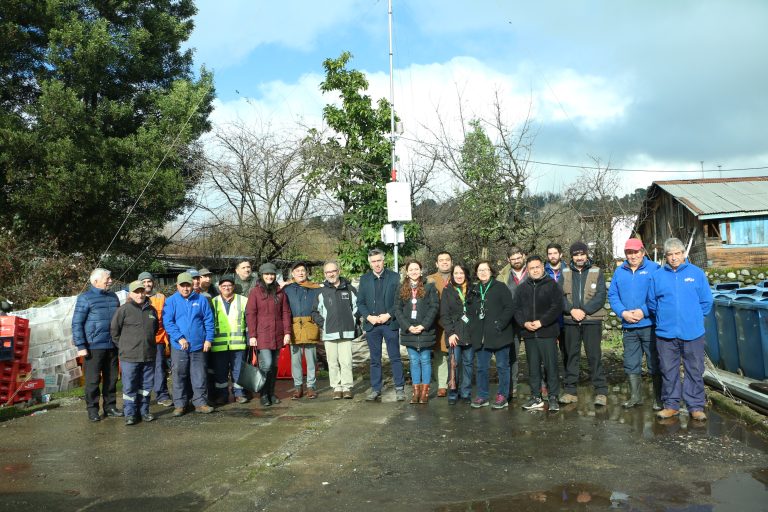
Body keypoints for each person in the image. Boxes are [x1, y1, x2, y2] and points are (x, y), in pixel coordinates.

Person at [648, 238, 713, 421]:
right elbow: (652, 303)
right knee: (668, 370)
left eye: (677, 253)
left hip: (693, 333)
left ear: (684, 254)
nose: (674, 258)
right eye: (670, 254)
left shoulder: (697, 274)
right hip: (666, 333)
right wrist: (664, 318)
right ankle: (671, 405)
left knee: (695, 369)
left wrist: (693, 318)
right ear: (665, 256)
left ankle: (695, 406)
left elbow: (706, 301)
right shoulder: (657, 276)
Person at [608, 238, 662, 409]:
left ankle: (659, 398)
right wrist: (623, 312)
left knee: (654, 362)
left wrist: (643, 311)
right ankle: (635, 397)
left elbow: (659, 294)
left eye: (636, 252)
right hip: (629, 326)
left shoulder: (654, 269)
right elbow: (613, 295)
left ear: (643, 252)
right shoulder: (619, 271)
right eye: (629, 252)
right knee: (631, 363)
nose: (633, 256)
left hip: (649, 325)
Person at [560, 242, 609, 406]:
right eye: (576, 255)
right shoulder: (565, 272)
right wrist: (571, 310)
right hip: (571, 321)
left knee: (594, 356)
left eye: (582, 254)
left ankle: (601, 392)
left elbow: (600, 296)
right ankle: (570, 391)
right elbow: (559, 296)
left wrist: (584, 311)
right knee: (571, 356)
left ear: (587, 254)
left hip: (591, 321)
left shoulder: (597, 271)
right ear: (571, 256)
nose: (579, 257)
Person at [512, 256, 564, 412]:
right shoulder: (521, 288)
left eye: (537, 267)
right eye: (531, 268)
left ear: (542, 267)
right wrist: (524, 323)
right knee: (533, 367)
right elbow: (516, 309)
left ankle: (553, 396)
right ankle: (536, 397)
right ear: (527, 270)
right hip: (529, 334)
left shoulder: (552, 285)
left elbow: (557, 307)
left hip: (547, 332)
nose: (535, 270)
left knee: (551, 366)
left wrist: (542, 322)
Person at [72, 268, 122, 422]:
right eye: (107, 279)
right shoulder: (85, 298)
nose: (111, 281)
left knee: (111, 379)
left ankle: (110, 407)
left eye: (110, 278)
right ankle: (93, 410)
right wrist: (81, 345)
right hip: (93, 346)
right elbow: (77, 323)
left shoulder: (113, 297)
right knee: (93, 381)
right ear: (95, 281)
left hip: (112, 345)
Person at [163, 272, 215, 416]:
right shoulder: (171, 301)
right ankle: (180, 404)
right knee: (179, 375)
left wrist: (208, 339)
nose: (185, 288)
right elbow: (168, 322)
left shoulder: (201, 299)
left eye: (188, 285)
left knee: (200, 375)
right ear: (177, 286)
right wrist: (179, 338)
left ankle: (200, 403)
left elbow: (209, 321)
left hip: (199, 345)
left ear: (192, 286)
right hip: (179, 346)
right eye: (182, 286)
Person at [357, 248, 406, 402]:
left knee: (395, 357)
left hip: (389, 323)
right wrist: (368, 317)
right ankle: (376, 389)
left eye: (379, 260)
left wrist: (389, 315)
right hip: (372, 325)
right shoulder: (364, 279)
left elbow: (399, 300)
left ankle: (399, 388)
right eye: (373, 261)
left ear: (383, 261)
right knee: (375, 359)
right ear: (370, 263)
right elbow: (360, 302)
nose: (377, 264)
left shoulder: (394, 277)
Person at [468, 260, 515, 409]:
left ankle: (503, 395)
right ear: (476, 273)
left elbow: (509, 308)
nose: (483, 272)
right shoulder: (474, 290)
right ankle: (482, 396)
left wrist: (499, 324)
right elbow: (468, 311)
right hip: (481, 336)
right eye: (480, 270)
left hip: (500, 334)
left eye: (486, 269)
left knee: (502, 366)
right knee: (481, 368)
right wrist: (472, 327)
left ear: (491, 271)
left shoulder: (500, 287)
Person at [110, 280, 159, 425]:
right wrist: (124, 347)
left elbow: (155, 329)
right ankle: (130, 414)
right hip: (129, 357)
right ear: (130, 294)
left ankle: (144, 412)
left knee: (146, 387)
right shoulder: (123, 310)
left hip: (148, 356)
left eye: (141, 291)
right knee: (130, 387)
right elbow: (114, 331)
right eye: (136, 292)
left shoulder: (152, 310)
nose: (140, 295)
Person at [246, 262, 292, 407]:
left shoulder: (280, 292)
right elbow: (250, 314)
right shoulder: (255, 292)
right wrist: (252, 335)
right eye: (266, 274)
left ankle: (271, 393)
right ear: (261, 275)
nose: (269, 276)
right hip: (262, 334)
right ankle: (264, 394)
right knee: (267, 364)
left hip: (278, 334)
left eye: (272, 274)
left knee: (274, 365)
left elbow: (286, 313)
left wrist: (287, 332)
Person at [395, 260, 439, 404]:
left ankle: (424, 393)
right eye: (411, 269)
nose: (414, 272)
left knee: (425, 360)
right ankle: (415, 392)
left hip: (425, 330)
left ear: (421, 271)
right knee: (414, 361)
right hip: (409, 331)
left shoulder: (430, 287)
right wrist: (407, 326)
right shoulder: (401, 288)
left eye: (416, 269)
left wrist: (423, 325)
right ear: (407, 273)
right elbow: (397, 309)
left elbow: (434, 307)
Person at [312, 261, 358, 399]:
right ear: (324, 274)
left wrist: (353, 321)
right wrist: (324, 324)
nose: (331, 274)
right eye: (328, 272)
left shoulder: (349, 289)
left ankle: (347, 387)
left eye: (333, 271)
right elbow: (315, 312)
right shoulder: (321, 292)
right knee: (332, 362)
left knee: (346, 361)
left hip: (346, 331)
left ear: (339, 271)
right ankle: (337, 387)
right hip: (329, 333)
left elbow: (357, 307)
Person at [283, 262, 323, 399]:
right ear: (292, 274)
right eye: (297, 271)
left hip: (310, 325)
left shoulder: (315, 288)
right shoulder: (287, 289)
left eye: (302, 270)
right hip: (294, 326)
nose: (300, 273)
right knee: (296, 360)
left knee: (311, 358)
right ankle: (298, 387)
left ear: (307, 273)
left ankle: (311, 387)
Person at [210, 275, 249, 404]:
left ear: (233, 287)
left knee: (238, 370)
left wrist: (250, 339)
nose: (227, 288)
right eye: (224, 286)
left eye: (229, 285)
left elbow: (249, 321)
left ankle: (239, 394)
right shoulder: (213, 301)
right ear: (219, 287)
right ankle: (222, 395)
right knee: (220, 371)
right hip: (219, 344)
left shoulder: (243, 300)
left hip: (238, 344)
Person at [440, 263, 475, 405]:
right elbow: (444, 314)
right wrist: (450, 333)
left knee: (468, 364)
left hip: (470, 334)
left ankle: (466, 392)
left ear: (466, 274)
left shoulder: (473, 289)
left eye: (461, 273)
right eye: (456, 273)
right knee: (454, 364)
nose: (459, 276)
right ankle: (453, 393)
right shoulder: (447, 290)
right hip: (454, 334)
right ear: (452, 275)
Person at [497, 246, 527, 399]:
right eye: (513, 259)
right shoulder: (502, 276)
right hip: (511, 321)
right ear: (508, 260)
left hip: (530, 320)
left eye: (518, 258)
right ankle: (511, 387)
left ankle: (541, 386)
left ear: (523, 256)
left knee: (536, 355)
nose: (516, 261)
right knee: (512, 356)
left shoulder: (534, 270)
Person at [138, 272, 172, 407]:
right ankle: (140, 397)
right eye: (144, 282)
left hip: (158, 340)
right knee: (141, 370)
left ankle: (162, 395)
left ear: (153, 282)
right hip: (140, 341)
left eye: (149, 281)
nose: (147, 284)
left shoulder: (161, 297)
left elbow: (166, 318)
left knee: (159, 368)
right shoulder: (134, 297)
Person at [427, 251, 453, 398]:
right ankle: (442, 385)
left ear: (451, 262)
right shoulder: (430, 280)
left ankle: (455, 382)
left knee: (456, 355)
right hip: (437, 324)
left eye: (447, 260)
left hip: (455, 323)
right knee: (440, 355)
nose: (444, 262)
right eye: (441, 260)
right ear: (436, 264)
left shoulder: (458, 276)